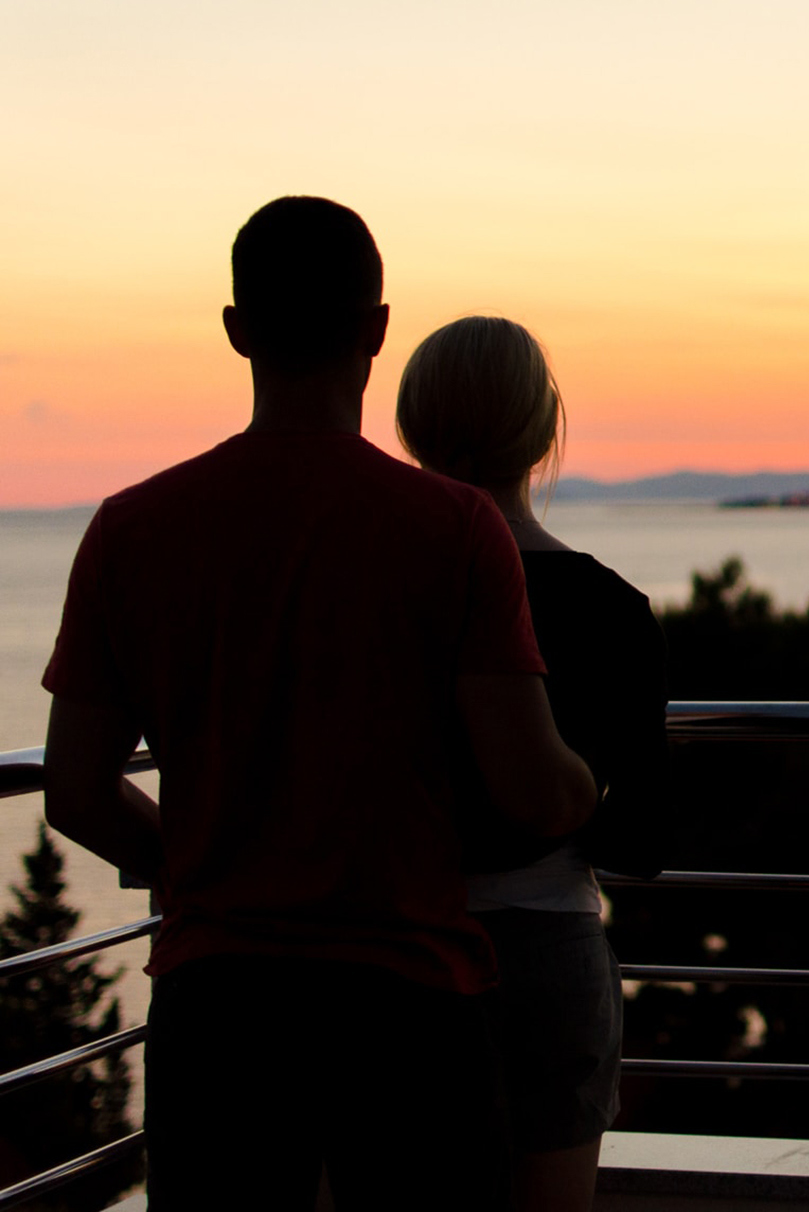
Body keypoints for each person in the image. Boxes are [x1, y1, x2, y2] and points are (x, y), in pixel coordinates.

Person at [39, 197, 599, 1210]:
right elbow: (528, 788)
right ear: (378, 330)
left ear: (238, 329)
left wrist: (203, 861)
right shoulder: (455, 531)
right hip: (410, 1005)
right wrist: (585, 787)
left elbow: (76, 790)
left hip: (219, 1005)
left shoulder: (132, 531)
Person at [396, 315, 668, 1212]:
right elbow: (639, 838)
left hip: (386, 958)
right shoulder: (611, 609)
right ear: (544, 432)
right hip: (548, 957)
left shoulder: (369, 596)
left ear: (413, 428)